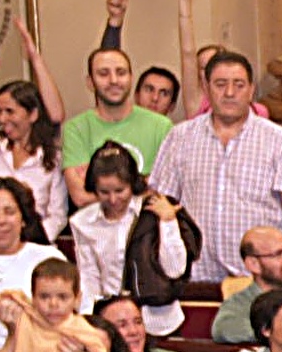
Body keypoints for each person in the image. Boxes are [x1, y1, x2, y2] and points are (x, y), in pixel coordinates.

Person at [149, 51, 282, 280]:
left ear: (251, 90)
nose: (230, 93)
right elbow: (162, 202)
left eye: (239, 85)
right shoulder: (180, 137)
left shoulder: (277, 140)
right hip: (195, 272)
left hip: (260, 276)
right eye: (220, 84)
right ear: (206, 87)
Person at [69, 144, 197, 335]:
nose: (113, 199)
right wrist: (88, 323)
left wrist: (168, 221)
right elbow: (89, 278)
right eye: (104, 192)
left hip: (157, 320)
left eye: (120, 190)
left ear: (133, 184)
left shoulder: (155, 211)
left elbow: (175, 269)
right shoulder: (82, 222)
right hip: (112, 323)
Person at [61, 46, 172, 209]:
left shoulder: (161, 126)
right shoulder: (76, 129)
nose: (113, 80)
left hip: (148, 222)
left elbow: (167, 190)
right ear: (90, 82)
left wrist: (102, 188)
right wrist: (143, 182)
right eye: (103, 74)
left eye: (121, 73)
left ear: (131, 78)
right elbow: (80, 197)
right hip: (96, 224)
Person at [0, 176, 65, 351]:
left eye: (9, 211)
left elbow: (71, 315)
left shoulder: (48, 258)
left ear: (23, 218)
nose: (0, 220)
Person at [0, 79, 68, 230]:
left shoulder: (53, 159)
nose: (1, 119)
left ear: (33, 114)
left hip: (34, 239)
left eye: (9, 111)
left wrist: (28, 237)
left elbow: (58, 216)